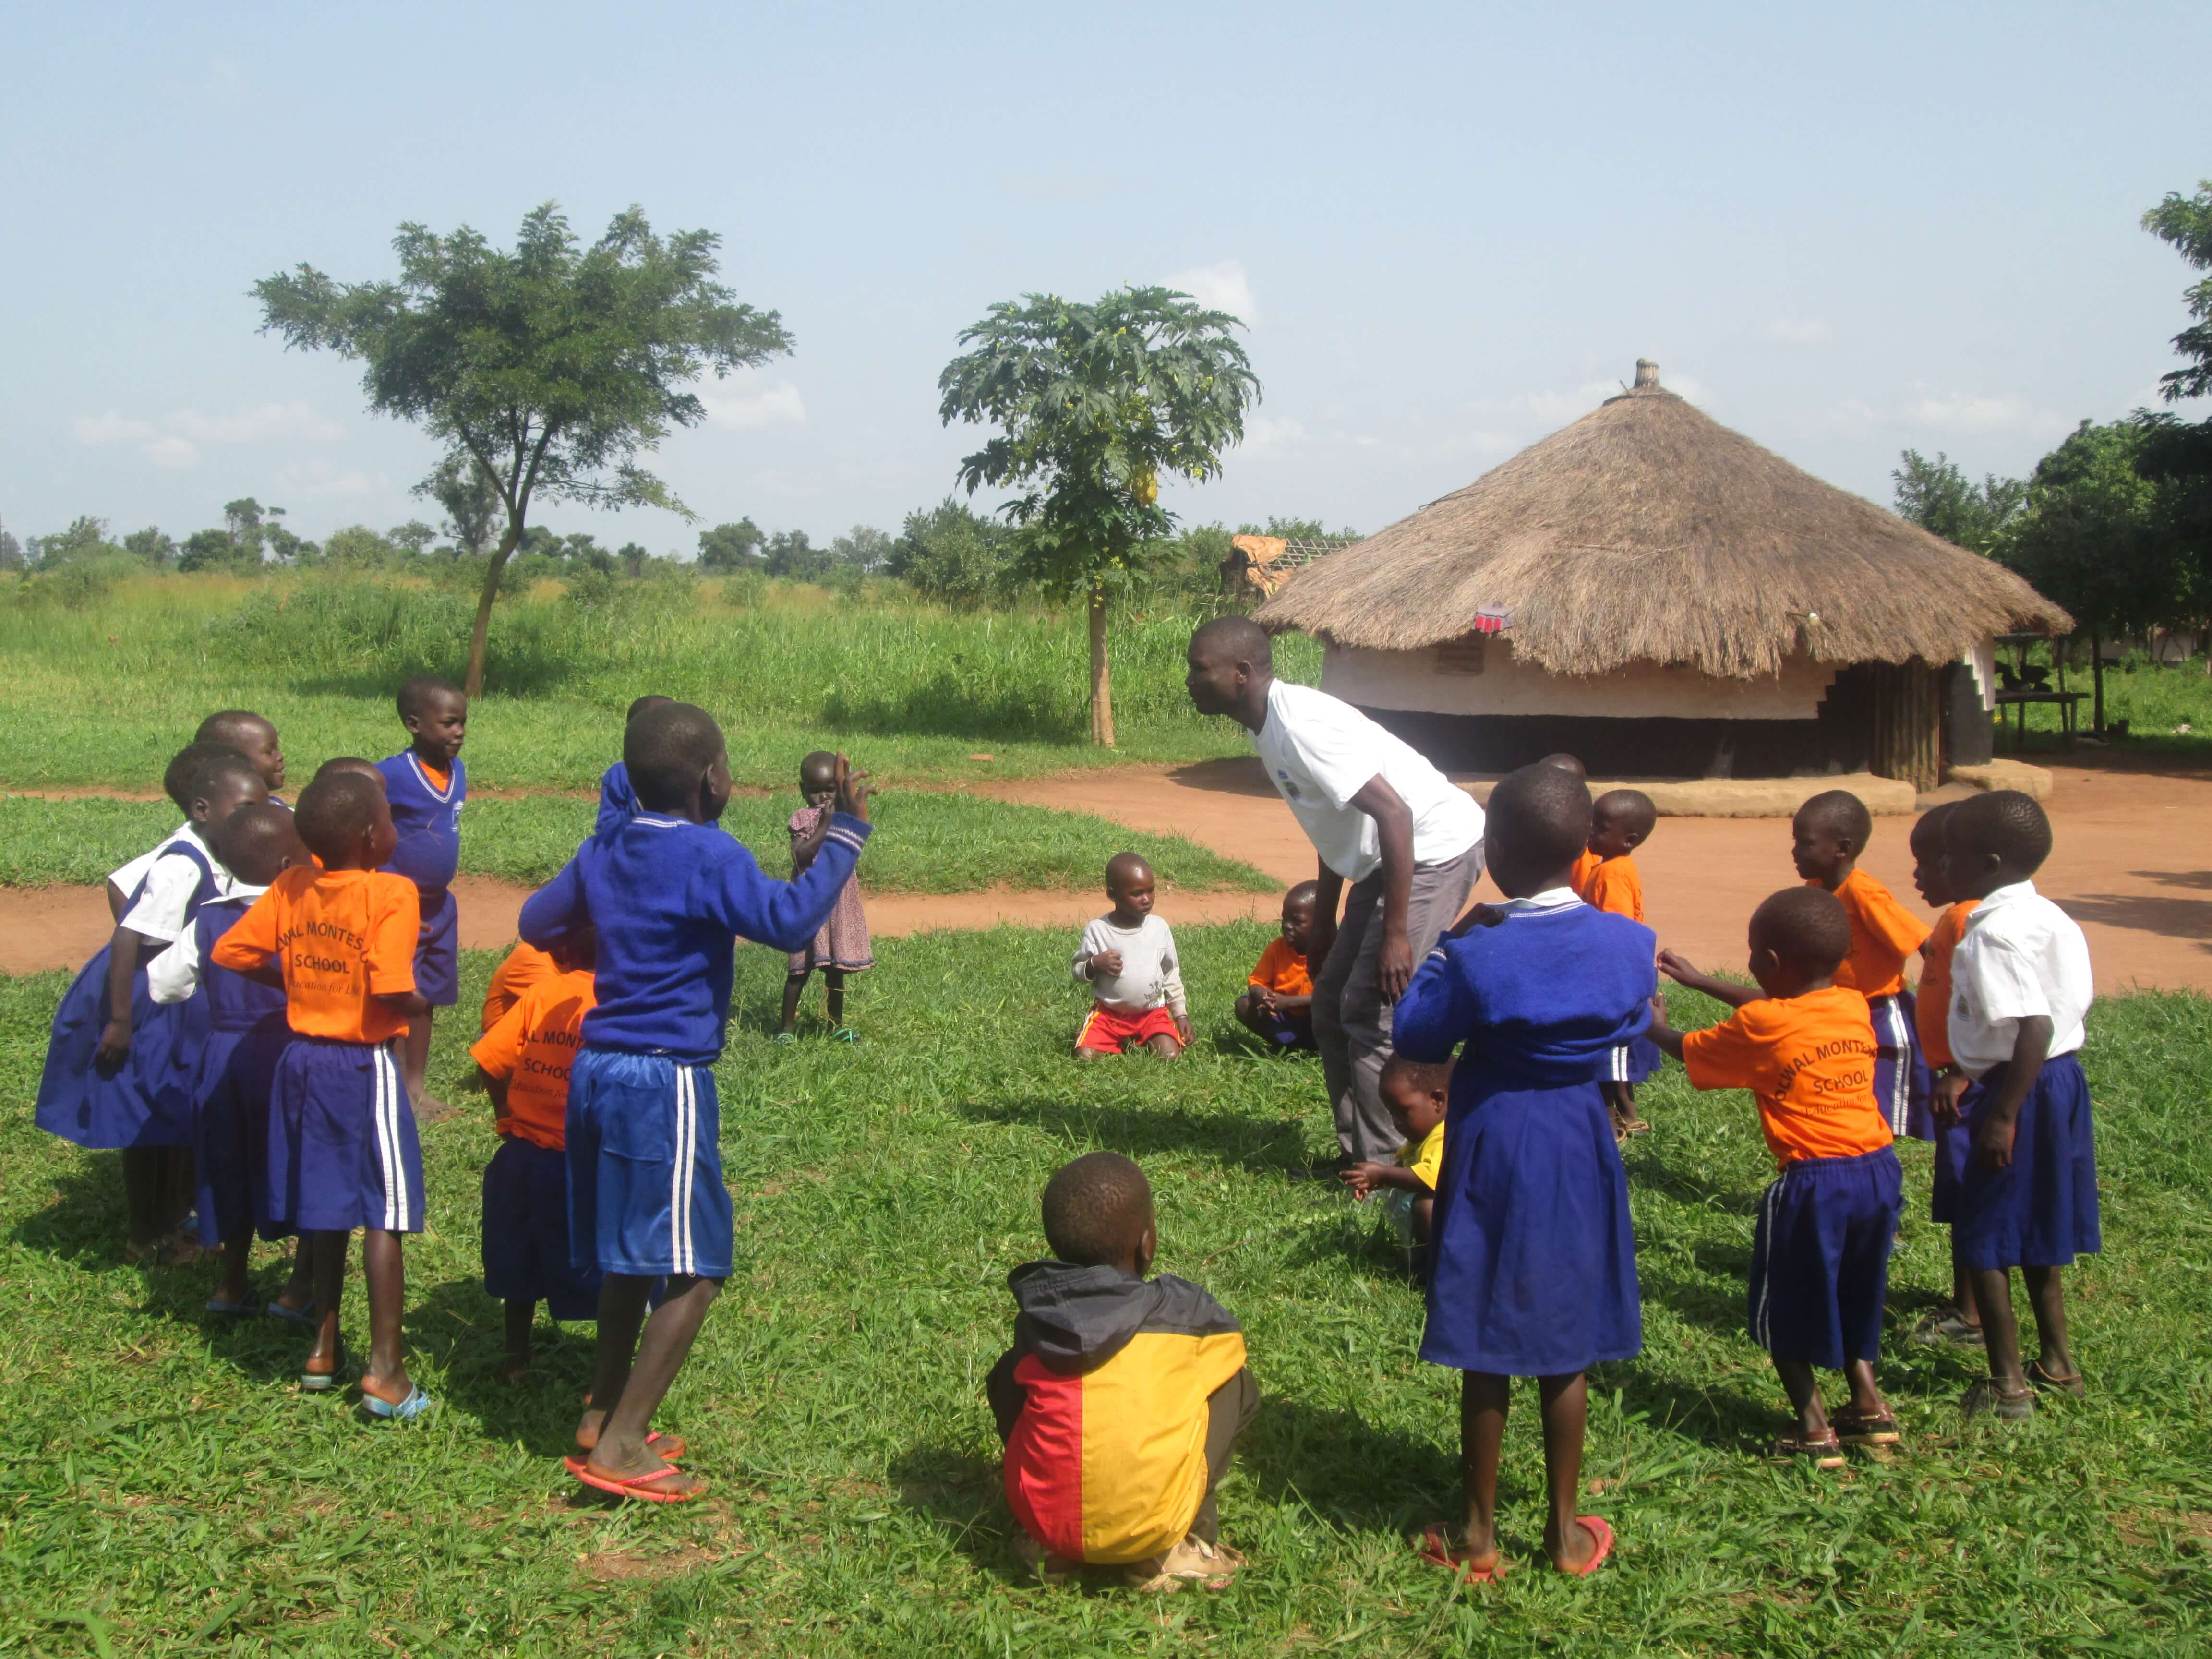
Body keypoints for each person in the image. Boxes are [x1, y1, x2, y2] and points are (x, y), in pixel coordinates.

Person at [518, 701, 874, 1502]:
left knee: (628, 1258)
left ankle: (602, 1409)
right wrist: (846, 835)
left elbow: (535, 920)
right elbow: (787, 921)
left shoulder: (605, 847)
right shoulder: (708, 855)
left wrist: (603, 933)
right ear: (712, 780)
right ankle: (617, 1447)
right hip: (662, 1081)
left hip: (596, 1072)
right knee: (697, 1267)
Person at [1393, 763, 1651, 1580]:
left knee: (1486, 1331)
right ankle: (1565, 1532)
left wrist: (1454, 944)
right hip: (1578, 1132)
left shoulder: (1480, 953)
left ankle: (1476, 1534)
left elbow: (1417, 1032)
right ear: (1582, 849)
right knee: (1562, 1339)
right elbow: (1630, 1020)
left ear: (1496, 850)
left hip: (1497, 1132)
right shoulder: (1629, 944)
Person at [1185, 617, 1484, 1166]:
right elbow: (1333, 824)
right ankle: (1356, 1158)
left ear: (1242, 673)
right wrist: (1325, 921)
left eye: (1199, 669)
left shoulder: (1301, 727)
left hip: (1432, 849)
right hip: (1384, 857)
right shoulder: (1265, 726)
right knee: (1329, 1005)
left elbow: (1397, 815)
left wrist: (1396, 934)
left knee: (1371, 1013)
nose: (1189, 680)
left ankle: (1390, 1165)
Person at [210, 770, 433, 1420]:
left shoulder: (290, 885)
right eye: (389, 816)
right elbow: (393, 988)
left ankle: (322, 1349)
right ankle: (386, 1373)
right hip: (363, 1065)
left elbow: (232, 951)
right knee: (385, 1210)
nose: (394, 825)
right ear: (371, 836)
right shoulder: (391, 892)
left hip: (301, 1060)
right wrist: (423, 1005)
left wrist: (302, 985)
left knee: (327, 1203)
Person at [1652, 889, 1902, 1466]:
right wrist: (1701, 983)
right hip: (1879, 1172)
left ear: (1766, 961)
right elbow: (1778, 1004)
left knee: (1785, 1304)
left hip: (1814, 1184)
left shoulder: (1765, 1022)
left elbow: (1687, 1047)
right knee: (1854, 1290)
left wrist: (1653, 1025)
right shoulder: (1851, 1003)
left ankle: (1814, 1430)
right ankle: (1868, 1406)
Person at [36, 746, 267, 1260]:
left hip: (175, 998)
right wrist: (120, 1021)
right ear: (202, 809)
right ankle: (147, 1232)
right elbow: (128, 937)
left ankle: (174, 1218)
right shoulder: (182, 862)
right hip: (142, 1001)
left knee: (173, 1113)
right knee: (146, 1117)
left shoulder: (221, 848)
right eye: (244, 810)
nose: (253, 822)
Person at [988, 1152, 1255, 1591]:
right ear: (1146, 1242)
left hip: (1047, 1524)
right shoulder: (1182, 1312)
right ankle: (1183, 1545)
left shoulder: (1038, 1319)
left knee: (1010, 1373)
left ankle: (1050, 1547)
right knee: (1235, 1381)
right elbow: (1231, 1351)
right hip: (1156, 1526)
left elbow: (1009, 1392)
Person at [1939, 791, 2097, 1420]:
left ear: (1989, 861)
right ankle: (2058, 1363)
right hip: (2057, 1081)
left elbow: (2031, 1025)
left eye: (1953, 854)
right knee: (2038, 1225)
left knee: (1984, 1230)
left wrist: (2001, 1115)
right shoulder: (2050, 915)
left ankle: (2008, 1386)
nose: (1943, 865)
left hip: (2018, 1087)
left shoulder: (1992, 935)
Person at [147, 801, 315, 1318]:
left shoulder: (210, 919)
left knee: (229, 1165)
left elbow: (164, 983)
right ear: (291, 865)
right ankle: (299, 1289)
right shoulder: (304, 915)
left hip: (222, 1058)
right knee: (308, 1164)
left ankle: (230, 1284)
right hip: (292, 1054)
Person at [470, 927, 601, 1384]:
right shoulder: (617, 1006)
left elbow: (489, 1063)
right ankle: (605, 1374)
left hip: (520, 1158)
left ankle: (516, 1361)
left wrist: (506, 1112)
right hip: (581, 1165)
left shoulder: (544, 993)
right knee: (603, 1266)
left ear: (562, 951)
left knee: (517, 1260)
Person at [1793, 790, 1930, 1138]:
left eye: (1806, 844)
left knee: (1888, 1104)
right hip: (1842, 1013)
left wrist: (1945, 993)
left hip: (1880, 1011)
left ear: (1842, 849)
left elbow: (1921, 942)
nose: (1795, 852)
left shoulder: (1864, 893)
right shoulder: (1818, 887)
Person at [1908, 803, 1983, 1347]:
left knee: (1970, 1195)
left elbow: (1979, 1005)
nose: (1917, 875)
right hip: (1954, 1076)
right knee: (1961, 1194)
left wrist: (1957, 1069)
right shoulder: (1955, 916)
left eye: (1927, 863)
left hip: (1968, 1083)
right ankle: (1966, 1301)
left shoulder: (1967, 920)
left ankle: (1973, 1313)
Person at [378, 674, 468, 1118]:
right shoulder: (390, 775)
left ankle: (415, 1088)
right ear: (415, 723)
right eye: (449, 723)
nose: (459, 732)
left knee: (426, 997)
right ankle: (389, 1088)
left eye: (463, 723)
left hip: (440, 907)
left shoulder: (458, 771)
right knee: (400, 994)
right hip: (400, 907)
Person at [1580, 789, 1660, 1138]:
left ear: (1628, 840)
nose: (1590, 832)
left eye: (1600, 828)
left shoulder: (1612, 873)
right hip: (1613, 975)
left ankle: (1617, 1118)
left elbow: (1617, 932)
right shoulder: (1612, 867)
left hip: (1613, 978)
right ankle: (1617, 1112)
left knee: (1612, 1054)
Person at [780, 749, 874, 1041]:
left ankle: (836, 1025)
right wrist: (825, 827)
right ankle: (786, 1029)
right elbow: (801, 855)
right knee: (800, 970)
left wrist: (846, 819)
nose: (824, 798)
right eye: (815, 791)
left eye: (830, 790)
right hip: (809, 901)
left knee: (836, 969)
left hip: (838, 901)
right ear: (802, 790)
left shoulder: (844, 816)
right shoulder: (803, 818)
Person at [1073, 854, 1191, 1058]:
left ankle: (1144, 1039)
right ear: (1113, 894)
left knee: (1169, 1056)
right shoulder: (1098, 931)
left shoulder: (1159, 928)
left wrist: (1180, 1014)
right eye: (1136, 894)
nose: (1147, 899)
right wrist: (1094, 964)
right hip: (1109, 1015)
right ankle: (1114, 1040)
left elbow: (1171, 973)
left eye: (1151, 890)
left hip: (1152, 1014)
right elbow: (1077, 971)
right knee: (1085, 1057)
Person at [1342, 1054, 1450, 1265]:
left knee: (1427, 1207)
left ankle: (1444, 1271)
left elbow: (1433, 1179)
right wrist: (1377, 1180)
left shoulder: (1443, 1134)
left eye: (1403, 1112)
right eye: (1392, 1114)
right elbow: (1407, 1166)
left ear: (1436, 1101)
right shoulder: (1422, 1137)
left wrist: (1383, 1174)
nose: (1397, 1122)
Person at [1235, 881, 1319, 1050]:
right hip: (1285, 1016)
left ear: (1319, 922)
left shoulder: (1329, 952)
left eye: (1297, 921)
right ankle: (1287, 1045)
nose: (1288, 925)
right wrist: (1264, 997)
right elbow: (1256, 982)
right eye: (1285, 918)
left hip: (1317, 1022)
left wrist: (1288, 1002)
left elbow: (1331, 997)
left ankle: (1320, 1047)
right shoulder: (1278, 948)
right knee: (1243, 1005)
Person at [594, 694, 674, 835]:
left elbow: (707, 825)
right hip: (631, 850)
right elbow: (605, 830)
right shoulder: (620, 774)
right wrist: (640, 806)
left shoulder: (689, 771)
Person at [195, 709, 288, 799]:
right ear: (232, 761)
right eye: (269, 752)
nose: (280, 756)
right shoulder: (222, 813)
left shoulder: (279, 808)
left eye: (277, 749)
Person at [482, 941, 560, 1034]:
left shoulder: (572, 959)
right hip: (500, 1041)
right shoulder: (533, 954)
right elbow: (560, 1005)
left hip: (540, 1036)